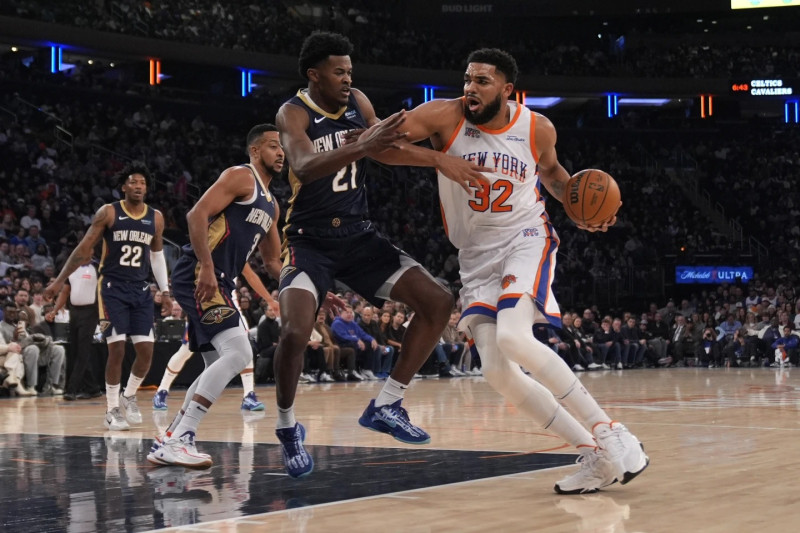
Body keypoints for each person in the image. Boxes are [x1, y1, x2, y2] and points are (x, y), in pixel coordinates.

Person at [385, 47, 649, 493]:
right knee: (496, 370)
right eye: (468, 79)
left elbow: (552, 174)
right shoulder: (443, 117)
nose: (470, 88)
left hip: (525, 238)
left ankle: (611, 431)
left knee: (512, 336)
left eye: (483, 81)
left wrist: (578, 207)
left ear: (507, 89)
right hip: (475, 256)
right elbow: (383, 146)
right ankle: (594, 455)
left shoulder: (536, 127)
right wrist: (438, 159)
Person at [272, 31, 490, 478]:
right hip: (310, 241)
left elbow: (386, 149)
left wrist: (439, 161)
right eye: (338, 72)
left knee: (438, 301)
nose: (348, 78)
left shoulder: (359, 103)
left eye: (350, 71)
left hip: (359, 237)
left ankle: (387, 403)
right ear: (314, 75)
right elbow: (304, 167)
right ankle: (287, 425)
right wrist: (361, 146)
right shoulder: (293, 113)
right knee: (295, 332)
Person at [147, 124, 283, 468]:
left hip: (220, 280)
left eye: (282, 147)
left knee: (215, 362)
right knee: (240, 352)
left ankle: (171, 436)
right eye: (272, 146)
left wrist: (315, 286)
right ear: (255, 151)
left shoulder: (272, 205)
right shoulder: (241, 176)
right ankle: (180, 438)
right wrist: (206, 267)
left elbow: (272, 262)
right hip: (200, 273)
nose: (281, 152)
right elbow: (196, 214)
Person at [45, 164, 171, 430]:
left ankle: (129, 396)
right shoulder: (109, 212)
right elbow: (83, 250)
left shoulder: (156, 217)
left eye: (143, 183)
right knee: (117, 349)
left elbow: (157, 256)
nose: (138, 186)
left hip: (141, 289)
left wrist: (165, 290)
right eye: (133, 182)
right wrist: (58, 281)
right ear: (123, 187)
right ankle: (112, 409)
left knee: (146, 351)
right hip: (112, 288)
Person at [151, 264, 276, 412]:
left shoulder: (236, 252)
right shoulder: (206, 252)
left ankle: (249, 395)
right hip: (206, 307)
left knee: (244, 349)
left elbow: (250, 275)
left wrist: (269, 300)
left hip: (231, 309)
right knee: (185, 351)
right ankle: (162, 391)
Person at [49, 257, 103, 400]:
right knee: (75, 350)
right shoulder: (72, 270)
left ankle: (71, 389)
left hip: (91, 312)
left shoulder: (98, 268)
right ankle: (93, 388)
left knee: (83, 351)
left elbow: (103, 291)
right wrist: (54, 311)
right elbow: (65, 292)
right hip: (74, 312)